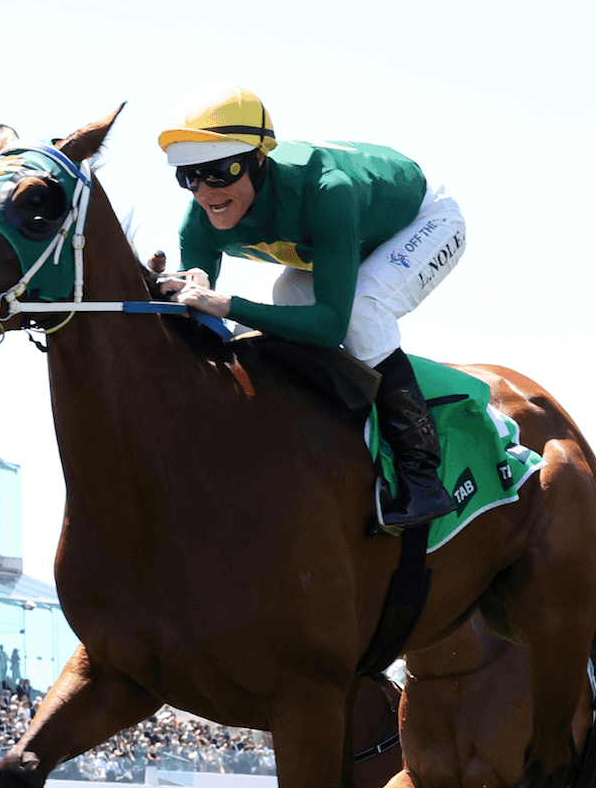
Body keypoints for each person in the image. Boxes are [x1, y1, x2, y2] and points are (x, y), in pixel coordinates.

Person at [156, 83, 464, 529]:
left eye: (220, 171)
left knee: (358, 314)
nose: (205, 192)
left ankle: (422, 478)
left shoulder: (327, 190)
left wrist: (228, 304)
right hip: (343, 238)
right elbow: (197, 300)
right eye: (189, 176)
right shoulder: (198, 219)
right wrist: (193, 283)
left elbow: (330, 328)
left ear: (259, 159)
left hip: (424, 219)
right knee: (288, 300)